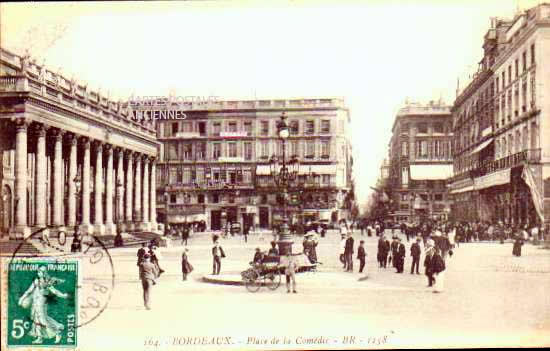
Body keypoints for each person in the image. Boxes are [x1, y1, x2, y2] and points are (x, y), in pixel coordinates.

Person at [17, 265, 69, 344]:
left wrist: (62, 295)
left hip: (42, 303)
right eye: (38, 271)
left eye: (40, 272)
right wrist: (21, 298)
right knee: (36, 320)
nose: (38, 273)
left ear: (44, 273)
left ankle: (57, 332)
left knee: (42, 320)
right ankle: (40, 337)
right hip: (35, 302)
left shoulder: (47, 282)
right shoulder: (36, 281)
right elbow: (28, 291)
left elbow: (54, 291)